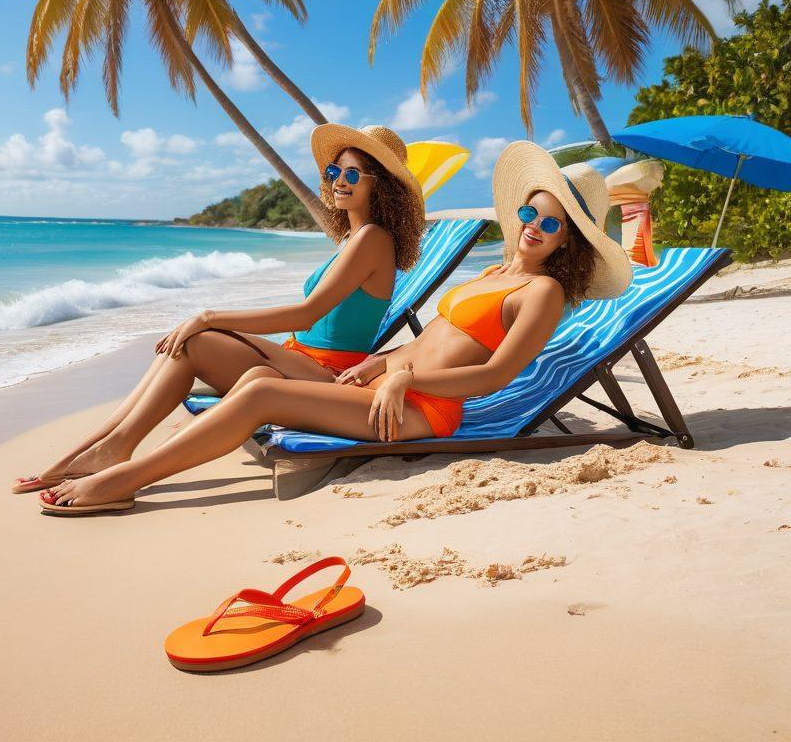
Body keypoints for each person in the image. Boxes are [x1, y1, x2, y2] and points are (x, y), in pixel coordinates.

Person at [39, 140, 634, 513]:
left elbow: (496, 374)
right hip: (386, 388)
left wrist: (406, 383)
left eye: (549, 224)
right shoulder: (495, 274)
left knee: (263, 389)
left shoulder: (544, 291)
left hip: (421, 411)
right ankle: (120, 462)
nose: (532, 225)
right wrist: (383, 363)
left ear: (570, 242)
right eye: (529, 212)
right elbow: (430, 342)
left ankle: (124, 479)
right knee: (251, 386)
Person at [11, 124, 426, 494]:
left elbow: (306, 315)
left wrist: (208, 316)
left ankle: (113, 450)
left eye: (352, 174)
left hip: (330, 374)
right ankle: (99, 448)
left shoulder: (373, 238)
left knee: (196, 340)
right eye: (333, 172)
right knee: (183, 344)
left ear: (381, 186)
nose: (338, 181)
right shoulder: (353, 240)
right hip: (301, 361)